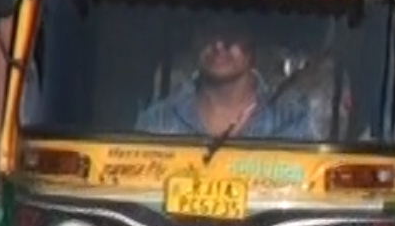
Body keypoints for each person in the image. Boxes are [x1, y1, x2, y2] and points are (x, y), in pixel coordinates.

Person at [136, 17, 330, 141]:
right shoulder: (158, 121)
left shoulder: (292, 120)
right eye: (209, 33)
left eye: (231, 35)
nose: (219, 45)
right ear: (195, 39)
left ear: (253, 42)